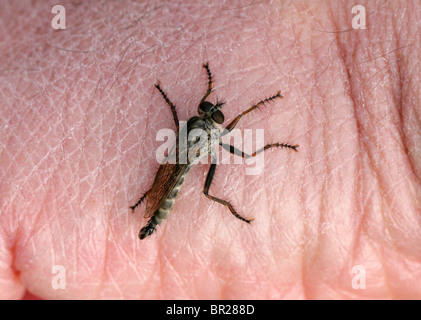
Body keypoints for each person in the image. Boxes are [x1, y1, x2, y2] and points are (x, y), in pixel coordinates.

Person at [1, 0, 420, 299]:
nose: (215, 110)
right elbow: (207, 140)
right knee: (198, 177)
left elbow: (180, 138)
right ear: (210, 120)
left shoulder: (193, 126)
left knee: (178, 172)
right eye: (213, 110)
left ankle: (151, 208)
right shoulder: (209, 129)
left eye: (212, 109)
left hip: (184, 159)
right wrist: (256, 112)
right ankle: (165, 207)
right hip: (185, 162)